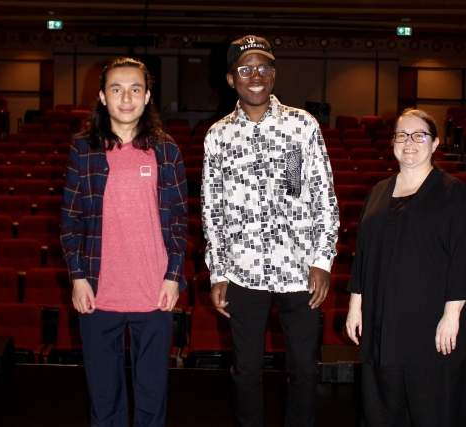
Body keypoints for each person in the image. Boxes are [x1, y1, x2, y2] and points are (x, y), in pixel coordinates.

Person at [201, 35, 339, 427]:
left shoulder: (302, 126)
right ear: (231, 79)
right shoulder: (218, 136)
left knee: (305, 370)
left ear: (274, 73)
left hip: (299, 272)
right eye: (245, 69)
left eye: (263, 67)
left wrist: (322, 261)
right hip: (243, 273)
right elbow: (212, 211)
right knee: (245, 372)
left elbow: (323, 199)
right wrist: (219, 272)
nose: (255, 76)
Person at [60, 57, 187, 427]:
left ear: (147, 97)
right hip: (98, 293)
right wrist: (78, 277)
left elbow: (179, 220)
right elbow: (70, 220)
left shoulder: (166, 151)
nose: (126, 97)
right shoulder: (82, 149)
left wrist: (173, 276)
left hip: (153, 292)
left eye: (135, 89)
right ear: (102, 96)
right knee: (105, 402)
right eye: (116, 89)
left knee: (151, 401)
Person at [345, 109, 466, 427]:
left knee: (432, 411)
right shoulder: (378, 193)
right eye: (401, 135)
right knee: (383, 409)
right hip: (384, 326)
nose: (409, 142)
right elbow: (364, 254)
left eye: (419, 135)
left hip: (433, 328)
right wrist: (356, 306)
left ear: (435, 144)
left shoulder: (454, 194)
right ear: (393, 142)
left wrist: (452, 316)